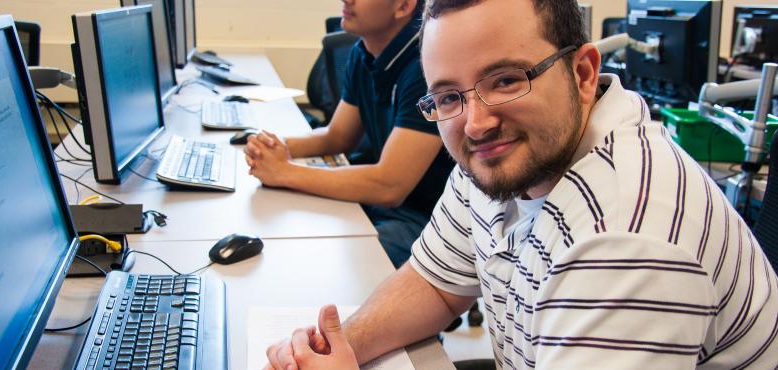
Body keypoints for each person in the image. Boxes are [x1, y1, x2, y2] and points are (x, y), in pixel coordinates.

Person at [263, 0, 778, 369]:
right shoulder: (494, 163)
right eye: (447, 98)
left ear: (581, 73)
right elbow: (433, 285)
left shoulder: (626, 236)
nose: (476, 123)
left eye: (506, 80)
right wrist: (333, 347)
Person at [245, 0, 454, 268]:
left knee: (322, 262)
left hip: (426, 219)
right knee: (298, 230)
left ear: (402, 6)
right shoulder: (363, 53)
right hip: (385, 207)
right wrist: (275, 146)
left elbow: (390, 186)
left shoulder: (424, 67)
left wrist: (284, 172)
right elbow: (337, 136)